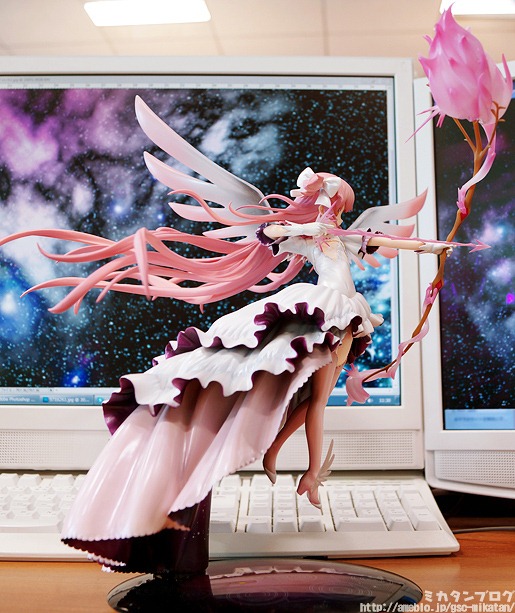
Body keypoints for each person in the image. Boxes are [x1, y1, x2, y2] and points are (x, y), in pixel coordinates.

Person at [0, 98, 444, 572]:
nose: (333, 207)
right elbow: (270, 235)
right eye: (329, 200)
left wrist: (435, 247)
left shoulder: (344, 237)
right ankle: (297, 465)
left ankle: (293, 461)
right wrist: (301, 225)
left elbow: (392, 241)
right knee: (301, 392)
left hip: (347, 314)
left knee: (317, 399)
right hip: (321, 309)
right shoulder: (310, 235)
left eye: (336, 202)